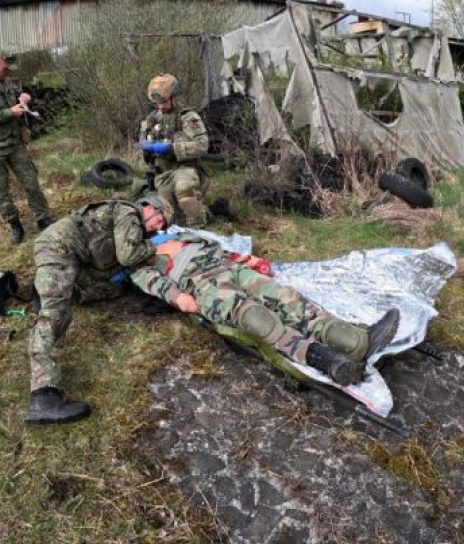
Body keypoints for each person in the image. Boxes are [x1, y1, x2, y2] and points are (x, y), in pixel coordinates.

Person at [128, 226, 401, 387]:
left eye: (156, 214)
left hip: (232, 269)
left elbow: (223, 252)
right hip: (204, 285)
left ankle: (356, 342)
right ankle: (328, 361)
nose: (156, 219)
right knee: (256, 318)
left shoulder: (186, 236)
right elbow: (157, 286)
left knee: (287, 299)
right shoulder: (142, 263)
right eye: (148, 217)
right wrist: (179, 298)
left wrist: (249, 261)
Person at [25, 194, 170, 424]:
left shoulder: (128, 220)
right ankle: (43, 396)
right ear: (150, 208)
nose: (158, 228)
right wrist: (158, 245)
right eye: (160, 220)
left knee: (113, 289)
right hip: (58, 248)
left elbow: (108, 259)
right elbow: (128, 256)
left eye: (162, 227)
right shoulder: (129, 213)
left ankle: (47, 286)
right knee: (55, 315)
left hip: (78, 258)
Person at [0, 48, 52, 245]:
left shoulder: (7, 82)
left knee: (31, 181)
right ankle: (15, 225)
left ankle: (42, 217)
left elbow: (18, 96)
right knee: (1, 191)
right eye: (6, 68)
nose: (9, 72)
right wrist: (10, 113)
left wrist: (24, 97)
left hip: (14, 142)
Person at [136, 73, 212, 227]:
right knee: (170, 219)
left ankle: (198, 227)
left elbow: (202, 145)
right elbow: (142, 147)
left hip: (184, 168)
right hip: (162, 175)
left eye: (164, 102)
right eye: (157, 103)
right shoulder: (151, 119)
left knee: (186, 194)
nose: (161, 106)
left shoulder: (187, 116)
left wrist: (170, 148)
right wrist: (145, 149)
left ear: (174, 97)